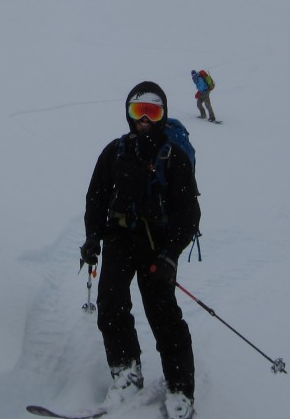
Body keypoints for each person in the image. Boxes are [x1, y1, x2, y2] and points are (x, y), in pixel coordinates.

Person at [80, 81, 201, 419]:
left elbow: (188, 213)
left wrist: (170, 254)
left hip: (157, 245)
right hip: (120, 238)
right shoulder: (115, 151)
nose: (144, 120)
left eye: (152, 112)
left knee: (163, 315)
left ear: (162, 115)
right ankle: (126, 373)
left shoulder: (173, 157)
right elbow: (96, 198)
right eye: (138, 112)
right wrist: (93, 237)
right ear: (129, 114)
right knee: (111, 304)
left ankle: (180, 389)